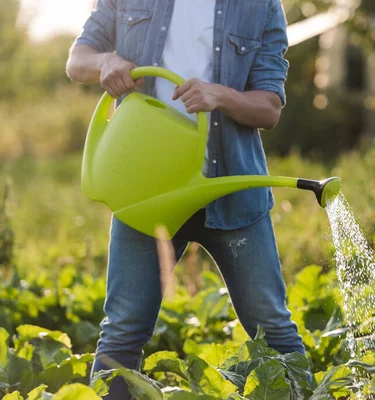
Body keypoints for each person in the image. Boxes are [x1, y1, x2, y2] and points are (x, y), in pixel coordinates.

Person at [66, 0, 304, 398]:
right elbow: (77, 60)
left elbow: (269, 107)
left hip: (230, 187)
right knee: (122, 333)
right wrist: (106, 61)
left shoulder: (261, 5)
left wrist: (220, 96)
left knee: (274, 328)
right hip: (145, 188)